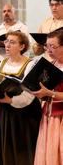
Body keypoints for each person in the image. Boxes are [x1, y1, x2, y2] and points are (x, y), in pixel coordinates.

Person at [0, 31, 42, 165]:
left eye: (12, 42)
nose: (7, 45)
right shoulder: (2, 63)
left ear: (22, 46)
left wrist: (11, 100)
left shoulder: (30, 64)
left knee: (22, 151)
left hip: (24, 114)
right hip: (4, 112)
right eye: (6, 42)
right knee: (5, 148)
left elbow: (31, 93)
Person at [32, 29, 63, 165]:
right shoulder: (52, 64)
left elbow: (50, 92)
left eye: (53, 46)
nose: (49, 50)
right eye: (47, 46)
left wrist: (49, 93)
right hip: (48, 116)